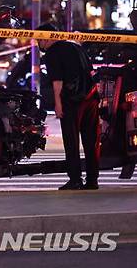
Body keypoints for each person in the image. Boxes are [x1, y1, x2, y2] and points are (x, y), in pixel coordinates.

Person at [37, 23, 100, 190]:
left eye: (39, 38)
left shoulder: (52, 54)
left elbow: (57, 81)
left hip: (71, 101)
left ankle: (75, 179)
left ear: (47, 37)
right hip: (91, 98)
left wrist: (58, 104)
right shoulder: (75, 47)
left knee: (71, 141)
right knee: (91, 140)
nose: (38, 42)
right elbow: (90, 71)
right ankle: (93, 179)